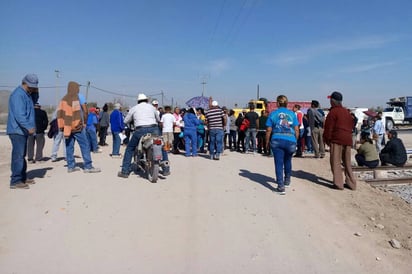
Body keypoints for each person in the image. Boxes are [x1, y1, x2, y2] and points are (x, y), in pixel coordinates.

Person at [118, 93, 170, 178]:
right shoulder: (152, 107)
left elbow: (126, 120)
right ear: (147, 100)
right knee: (162, 146)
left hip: (140, 130)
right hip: (154, 129)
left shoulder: (134, 108)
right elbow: (158, 119)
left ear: (138, 101)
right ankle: (166, 169)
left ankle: (125, 171)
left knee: (130, 149)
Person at [57, 81, 101, 173]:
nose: (78, 89)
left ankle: (71, 166)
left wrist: (62, 127)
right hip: (77, 126)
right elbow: (83, 111)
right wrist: (84, 122)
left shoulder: (63, 99)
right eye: (77, 87)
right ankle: (88, 166)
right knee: (84, 145)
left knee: (69, 146)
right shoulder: (76, 97)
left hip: (67, 127)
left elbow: (60, 114)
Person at [7, 74, 38, 189]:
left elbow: (35, 101)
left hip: (22, 130)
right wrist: (28, 126)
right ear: (24, 83)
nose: (32, 88)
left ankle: (22, 177)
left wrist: (36, 91)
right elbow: (19, 115)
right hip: (17, 130)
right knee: (18, 156)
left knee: (22, 155)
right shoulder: (18, 95)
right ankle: (15, 180)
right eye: (31, 86)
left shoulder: (27, 94)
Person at [265, 95, 299, 195]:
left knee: (278, 163)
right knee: (288, 161)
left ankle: (280, 186)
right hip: (290, 139)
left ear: (278, 103)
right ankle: (287, 181)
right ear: (287, 103)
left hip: (277, 139)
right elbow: (296, 129)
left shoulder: (273, 114)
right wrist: (295, 140)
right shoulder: (292, 114)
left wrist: (267, 142)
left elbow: (268, 130)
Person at [323, 91, 357, 190]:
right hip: (347, 139)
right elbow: (351, 124)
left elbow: (328, 128)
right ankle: (351, 183)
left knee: (335, 162)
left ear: (333, 101)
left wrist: (327, 140)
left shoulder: (333, 112)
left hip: (337, 139)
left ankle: (338, 183)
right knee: (347, 162)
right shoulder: (346, 112)